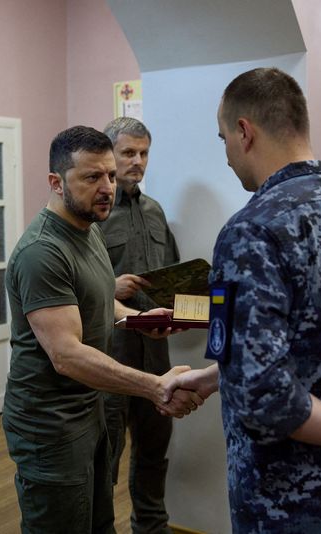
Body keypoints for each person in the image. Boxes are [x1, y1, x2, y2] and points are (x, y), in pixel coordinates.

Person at [172, 67, 321, 533]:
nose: (225, 156)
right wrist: (212, 376)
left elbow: (263, 396)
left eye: (222, 138)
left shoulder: (251, 231)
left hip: (301, 498)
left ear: (245, 132)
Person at [2, 125, 202, 533]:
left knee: (98, 524)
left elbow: (95, 299)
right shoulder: (42, 251)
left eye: (110, 175)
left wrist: (137, 320)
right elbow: (66, 354)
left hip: (87, 410)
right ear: (56, 183)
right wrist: (153, 385)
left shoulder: (87, 229)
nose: (108, 186)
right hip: (51, 425)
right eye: (93, 177)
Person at [98, 117, 179, 534]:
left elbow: (175, 277)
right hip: (109, 357)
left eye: (143, 153)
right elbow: (73, 284)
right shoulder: (93, 212)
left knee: (153, 453)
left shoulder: (154, 211)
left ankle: (152, 527)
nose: (137, 161)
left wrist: (189, 310)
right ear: (109, 153)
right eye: (128, 152)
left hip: (156, 357)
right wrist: (110, 285)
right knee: (104, 461)